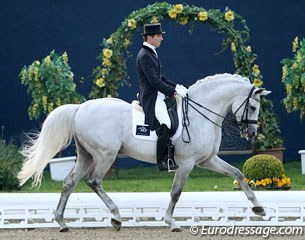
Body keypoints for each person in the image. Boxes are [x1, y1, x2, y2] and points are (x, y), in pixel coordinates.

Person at [136, 23, 188, 172]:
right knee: (166, 122)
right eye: (159, 36)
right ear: (150, 37)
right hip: (151, 97)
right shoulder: (144, 55)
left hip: (157, 94)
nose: (162, 38)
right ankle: (162, 161)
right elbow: (154, 81)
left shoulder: (151, 52)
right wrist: (172, 92)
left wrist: (176, 86)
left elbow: (160, 77)